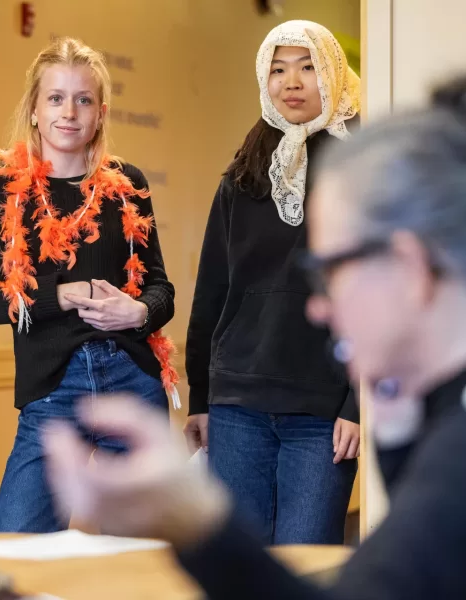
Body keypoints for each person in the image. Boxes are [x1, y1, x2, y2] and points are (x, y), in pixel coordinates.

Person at [42, 73, 466, 599]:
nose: (321, 308)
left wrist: (194, 521)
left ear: (408, 268)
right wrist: (402, 427)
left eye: (329, 271)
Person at [0, 37, 178, 534]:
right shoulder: (3, 188)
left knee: (140, 553)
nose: (70, 111)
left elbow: (161, 288)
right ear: (35, 109)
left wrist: (139, 313)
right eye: (56, 98)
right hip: (51, 387)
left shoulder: (126, 185)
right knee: (15, 545)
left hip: (130, 377)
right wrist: (64, 293)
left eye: (84, 99)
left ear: (100, 112)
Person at [184, 19, 361, 546]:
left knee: (305, 561)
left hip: (322, 410)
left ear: (332, 75)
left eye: (308, 67)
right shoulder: (241, 176)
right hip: (238, 404)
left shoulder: (362, 172)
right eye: (279, 69)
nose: (293, 81)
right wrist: (201, 395)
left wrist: (359, 403)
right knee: (239, 568)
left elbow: (375, 296)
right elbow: (212, 290)